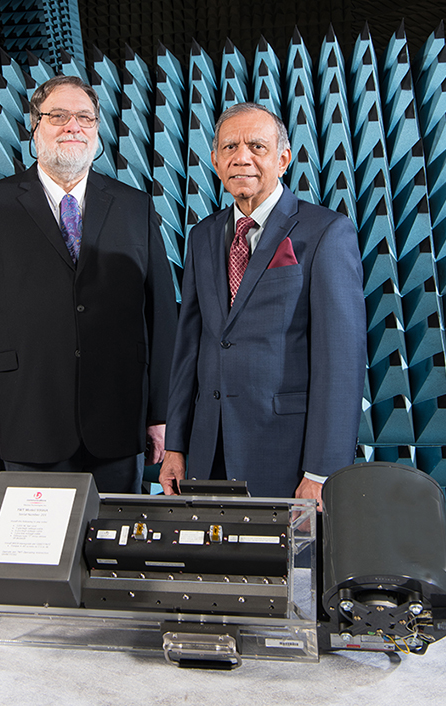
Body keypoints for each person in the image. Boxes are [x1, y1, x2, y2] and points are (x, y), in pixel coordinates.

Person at [0, 75, 177, 493]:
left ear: (98, 129)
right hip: (27, 421)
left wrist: (163, 414)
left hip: (119, 425)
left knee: (114, 552)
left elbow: (162, 318)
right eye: (59, 116)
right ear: (35, 127)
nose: (73, 126)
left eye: (85, 117)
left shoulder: (134, 205)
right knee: (35, 558)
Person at [159, 102, 366, 509]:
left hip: (286, 455)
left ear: (283, 158)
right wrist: (176, 445)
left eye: (257, 146)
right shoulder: (203, 235)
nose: (242, 157)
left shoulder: (326, 232)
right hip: (207, 450)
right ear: (216, 161)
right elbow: (189, 349)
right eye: (230, 147)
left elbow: (341, 360)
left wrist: (321, 471)